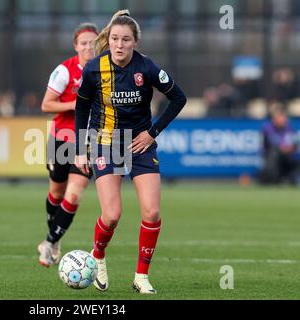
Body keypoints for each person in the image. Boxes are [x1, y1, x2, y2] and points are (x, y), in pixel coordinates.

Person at [74, 10, 187, 294]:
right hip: (107, 142)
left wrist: (152, 133)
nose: (119, 44)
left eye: (125, 39)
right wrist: (80, 148)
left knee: (152, 212)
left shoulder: (147, 68)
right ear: (108, 40)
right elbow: (82, 108)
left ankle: (141, 277)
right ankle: (97, 257)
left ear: (135, 42)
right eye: (114, 38)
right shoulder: (93, 69)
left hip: (140, 144)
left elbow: (178, 98)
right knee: (111, 215)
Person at [37, 23, 99, 267]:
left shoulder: (105, 71)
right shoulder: (65, 70)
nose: (88, 47)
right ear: (76, 46)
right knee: (56, 193)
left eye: (92, 42)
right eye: (83, 43)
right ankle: (53, 237)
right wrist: (74, 105)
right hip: (61, 139)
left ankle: (51, 241)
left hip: (88, 142)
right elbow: (46, 105)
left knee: (73, 196)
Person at [259, 108, 300, 185]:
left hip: (288, 156)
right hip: (273, 156)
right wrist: (281, 149)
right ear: (275, 119)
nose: (284, 121)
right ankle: (274, 179)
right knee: (274, 154)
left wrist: (290, 148)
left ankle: (292, 178)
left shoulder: (290, 129)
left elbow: (295, 145)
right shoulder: (268, 129)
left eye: (284, 118)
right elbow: (269, 145)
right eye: (281, 118)